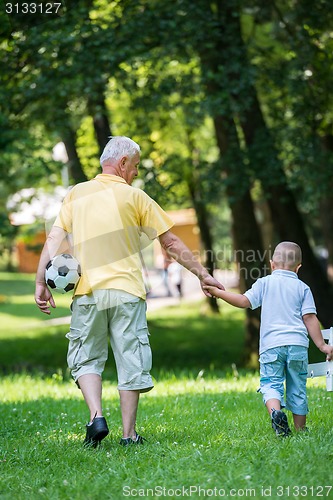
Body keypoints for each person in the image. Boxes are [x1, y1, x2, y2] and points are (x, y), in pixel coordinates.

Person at [35, 136, 224, 448]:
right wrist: (203, 274)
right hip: (127, 292)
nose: (136, 172)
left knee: (86, 358)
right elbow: (172, 244)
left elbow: (54, 239)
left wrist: (41, 281)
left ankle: (96, 416)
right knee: (130, 359)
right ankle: (128, 434)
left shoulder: (76, 194)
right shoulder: (136, 197)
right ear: (122, 163)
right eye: (135, 166)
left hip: (88, 292)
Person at [204, 241, 333, 437]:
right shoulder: (303, 287)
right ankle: (300, 429)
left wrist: (219, 293)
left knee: (271, 383)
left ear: (272, 264)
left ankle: (276, 413)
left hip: (271, 346)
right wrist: (322, 345)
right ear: (298, 267)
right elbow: (309, 318)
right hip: (297, 344)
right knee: (297, 386)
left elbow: (244, 301)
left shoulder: (264, 283)